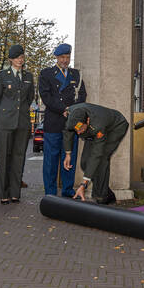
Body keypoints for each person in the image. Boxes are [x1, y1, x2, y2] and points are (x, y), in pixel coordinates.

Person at [38, 43, 87, 197]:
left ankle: (67, 190)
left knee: (69, 159)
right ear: (56, 58)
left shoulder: (76, 75)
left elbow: (82, 95)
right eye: (62, 57)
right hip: (53, 123)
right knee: (51, 161)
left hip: (71, 124)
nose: (65, 60)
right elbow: (46, 96)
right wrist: (63, 109)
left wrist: (73, 113)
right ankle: (50, 193)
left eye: (67, 57)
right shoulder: (46, 74)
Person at [0, 44, 34, 204]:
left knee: (19, 157)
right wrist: (6, 112)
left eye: (22, 57)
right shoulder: (2, 76)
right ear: (11, 59)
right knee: (4, 158)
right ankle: (3, 193)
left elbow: (30, 97)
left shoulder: (29, 76)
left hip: (22, 122)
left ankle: (15, 193)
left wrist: (20, 112)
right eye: (17, 57)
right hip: (6, 122)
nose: (20, 60)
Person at [63, 103, 128, 205]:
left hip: (116, 127)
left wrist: (83, 185)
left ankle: (102, 197)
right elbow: (68, 131)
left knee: (101, 159)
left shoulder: (98, 125)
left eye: (80, 129)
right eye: (77, 130)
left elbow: (96, 155)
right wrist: (68, 154)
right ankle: (107, 192)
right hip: (92, 129)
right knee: (85, 163)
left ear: (87, 120)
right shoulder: (71, 114)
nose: (79, 133)